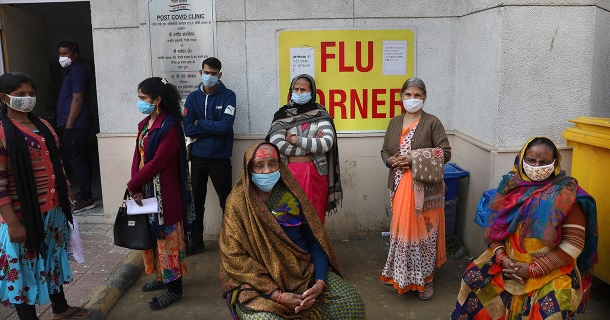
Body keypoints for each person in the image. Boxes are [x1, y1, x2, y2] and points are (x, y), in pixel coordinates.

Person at [0, 72, 91, 319]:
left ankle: (60, 308)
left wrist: (67, 196)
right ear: (3, 97)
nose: (28, 98)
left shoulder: (45, 126)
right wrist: (13, 223)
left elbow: (57, 164)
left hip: (53, 211)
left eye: (31, 94)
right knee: (23, 270)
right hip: (23, 216)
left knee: (52, 258)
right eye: (20, 95)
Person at [452, 136, 598, 319]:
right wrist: (502, 258)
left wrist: (533, 270)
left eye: (544, 162)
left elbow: (574, 243)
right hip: (507, 264)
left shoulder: (566, 194)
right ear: (522, 160)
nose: (536, 166)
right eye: (531, 160)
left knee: (553, 311)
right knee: (472, 279)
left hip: (551, 270)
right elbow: (494, 230)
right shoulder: (509, 187)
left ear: (555, 163)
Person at [219, 142, 365, 319]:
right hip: (259, 284)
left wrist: (319, 282)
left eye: (272, 163)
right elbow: (234, 257)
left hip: (303, 273)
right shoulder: (237, 204)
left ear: (279, 165)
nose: (267, 170)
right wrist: (276, 295)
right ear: (249, 169)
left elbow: (315, 241)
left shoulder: (291, 195)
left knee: (351, 303)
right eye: (259, 165)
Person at [379, 77, 451, 300]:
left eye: (417, 95)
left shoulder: (432, 122)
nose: (413, 99)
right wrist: (391, 161)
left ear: (425, 97)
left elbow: (445, 152)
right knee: (402, 234)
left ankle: (426, 280)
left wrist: (413, 158)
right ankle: (404, 278)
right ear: (401, 97)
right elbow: (384, 151)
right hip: (399, 186)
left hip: (426, 190)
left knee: (424, 235)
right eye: (408, 95)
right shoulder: (394, 122)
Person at [127, 77, 195, 310]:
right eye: (139, 98)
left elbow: (157, 162)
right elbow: (139, 156)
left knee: (168, 240)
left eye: (144, 98)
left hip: (165, 194)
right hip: (146, 190)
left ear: (157, 100)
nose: (140, 102)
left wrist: (134, 182)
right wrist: (135, 186)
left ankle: (175, 288)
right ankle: (161, 277)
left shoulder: (170, 125)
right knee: (152, 237)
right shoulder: (146, 123)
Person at [266, 74, 342, 224]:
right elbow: (277, 144)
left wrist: (296, 140)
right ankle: (293, 248)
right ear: (291, 90)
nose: (299, 93)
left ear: (312, 92)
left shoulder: (320, 114)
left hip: (317, 174)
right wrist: (310, 147)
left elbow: (326, 143)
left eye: (303, 90)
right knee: (290, 217)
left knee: (315, 217)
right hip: (288, 174)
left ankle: (315, 247)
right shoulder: (282, 115)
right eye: (296, 89)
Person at [183, 57, 236, 254]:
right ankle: (196, 241)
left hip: (220, 157)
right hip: (197, 157)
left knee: (227, 201)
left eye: (214, 74)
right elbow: (188, 129)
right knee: (197, 201)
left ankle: (231, 242)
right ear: (200, 73)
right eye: (207, 73)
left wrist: (201, 123)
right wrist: (207, 126)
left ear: (219, 75)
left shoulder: (229, 96)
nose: (210, 77)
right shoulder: (192, 98)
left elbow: (225, 127)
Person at [56, 40, 95, 213]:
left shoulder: (77, 70)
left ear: (75, 53)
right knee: (78, 159)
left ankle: (86, 197)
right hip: (72, 123)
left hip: (75, 124)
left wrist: (69, 125)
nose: (62, 57)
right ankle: (84, 194)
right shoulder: (71, 71)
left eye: (66, 53)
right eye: (60, 53)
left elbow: (77, 99)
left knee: (78, 160)